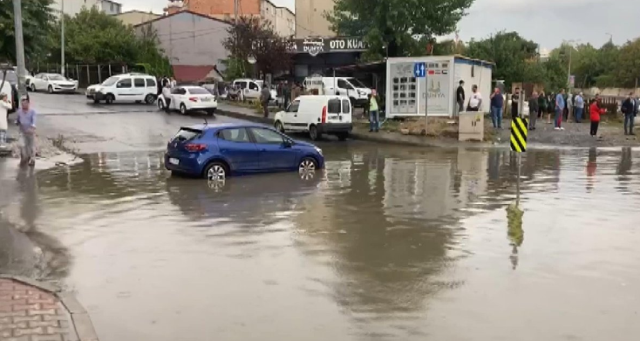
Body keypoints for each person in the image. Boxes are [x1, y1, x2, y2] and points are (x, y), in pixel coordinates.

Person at [16, 96, 37, 166]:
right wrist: (17, 122)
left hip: (30, 132)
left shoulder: (32, 112)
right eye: (22, 104)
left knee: (31, 146)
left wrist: (32, 127)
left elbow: (34, 121)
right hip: (22, 131)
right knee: (22, 145)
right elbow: (18, 120)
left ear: (28, 104)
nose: (23, 106)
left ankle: (32, 159)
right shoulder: (19, 111)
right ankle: (23, 158)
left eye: (24, 104)